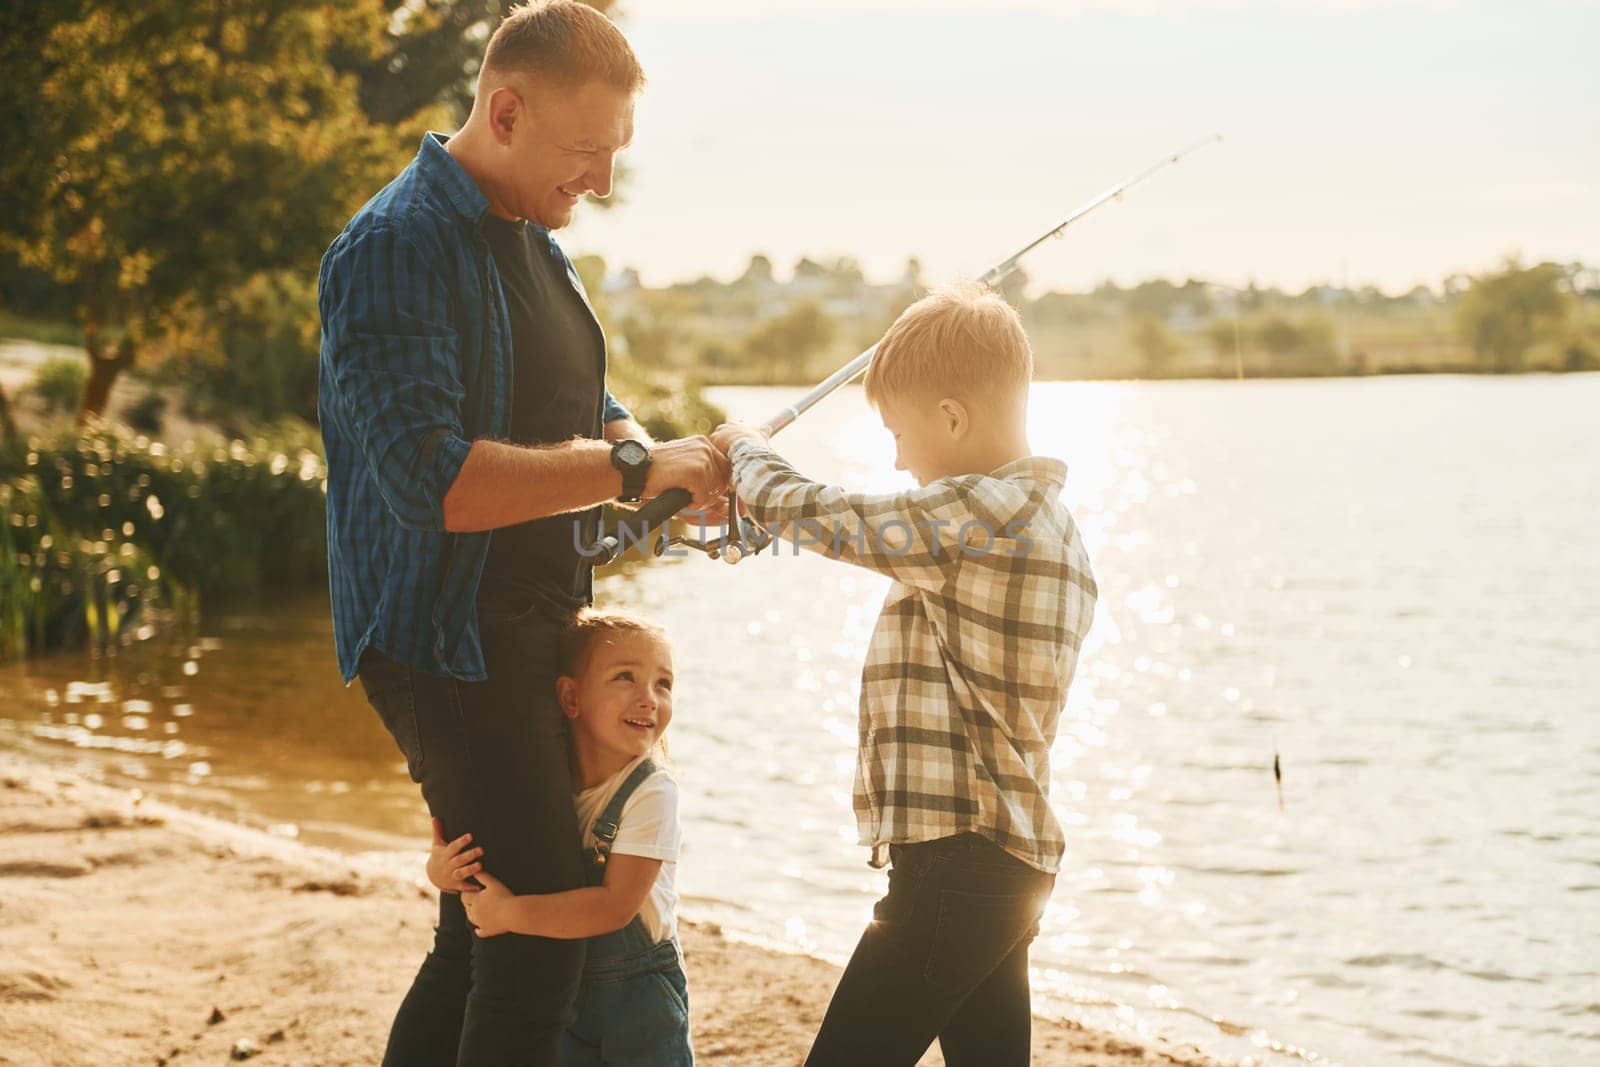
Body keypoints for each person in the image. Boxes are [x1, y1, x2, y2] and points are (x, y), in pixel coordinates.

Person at [316, 3, 727, 1063]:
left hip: (529, 626)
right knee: (541, 926)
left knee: (478, 922)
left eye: (615, 154)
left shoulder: (531, 236)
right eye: (586, 150)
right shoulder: (394, 247)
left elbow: (575, 394)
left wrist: (644, 452)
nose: (600, 179)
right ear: (505, 110)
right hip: (445, 642)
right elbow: (433, 481)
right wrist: (631, 469)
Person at [709, 281, 1098, 1067]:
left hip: (960, 864)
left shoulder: (978, 519)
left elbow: (828, 517)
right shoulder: (1038, 521)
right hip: (1003, 867)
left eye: (898, 433)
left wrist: (742, 446)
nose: (896, 457)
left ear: (953, 418)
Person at [427, 611, 691, 1066]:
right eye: (625, 677)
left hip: (639, 995)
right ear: (570, 697)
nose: (649, 699)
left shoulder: (652, 791)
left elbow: (614, 906)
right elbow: (455, 852)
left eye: (663, 684)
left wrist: (509, 913)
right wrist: (441, 870)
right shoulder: (545, 780)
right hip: (570, 993)